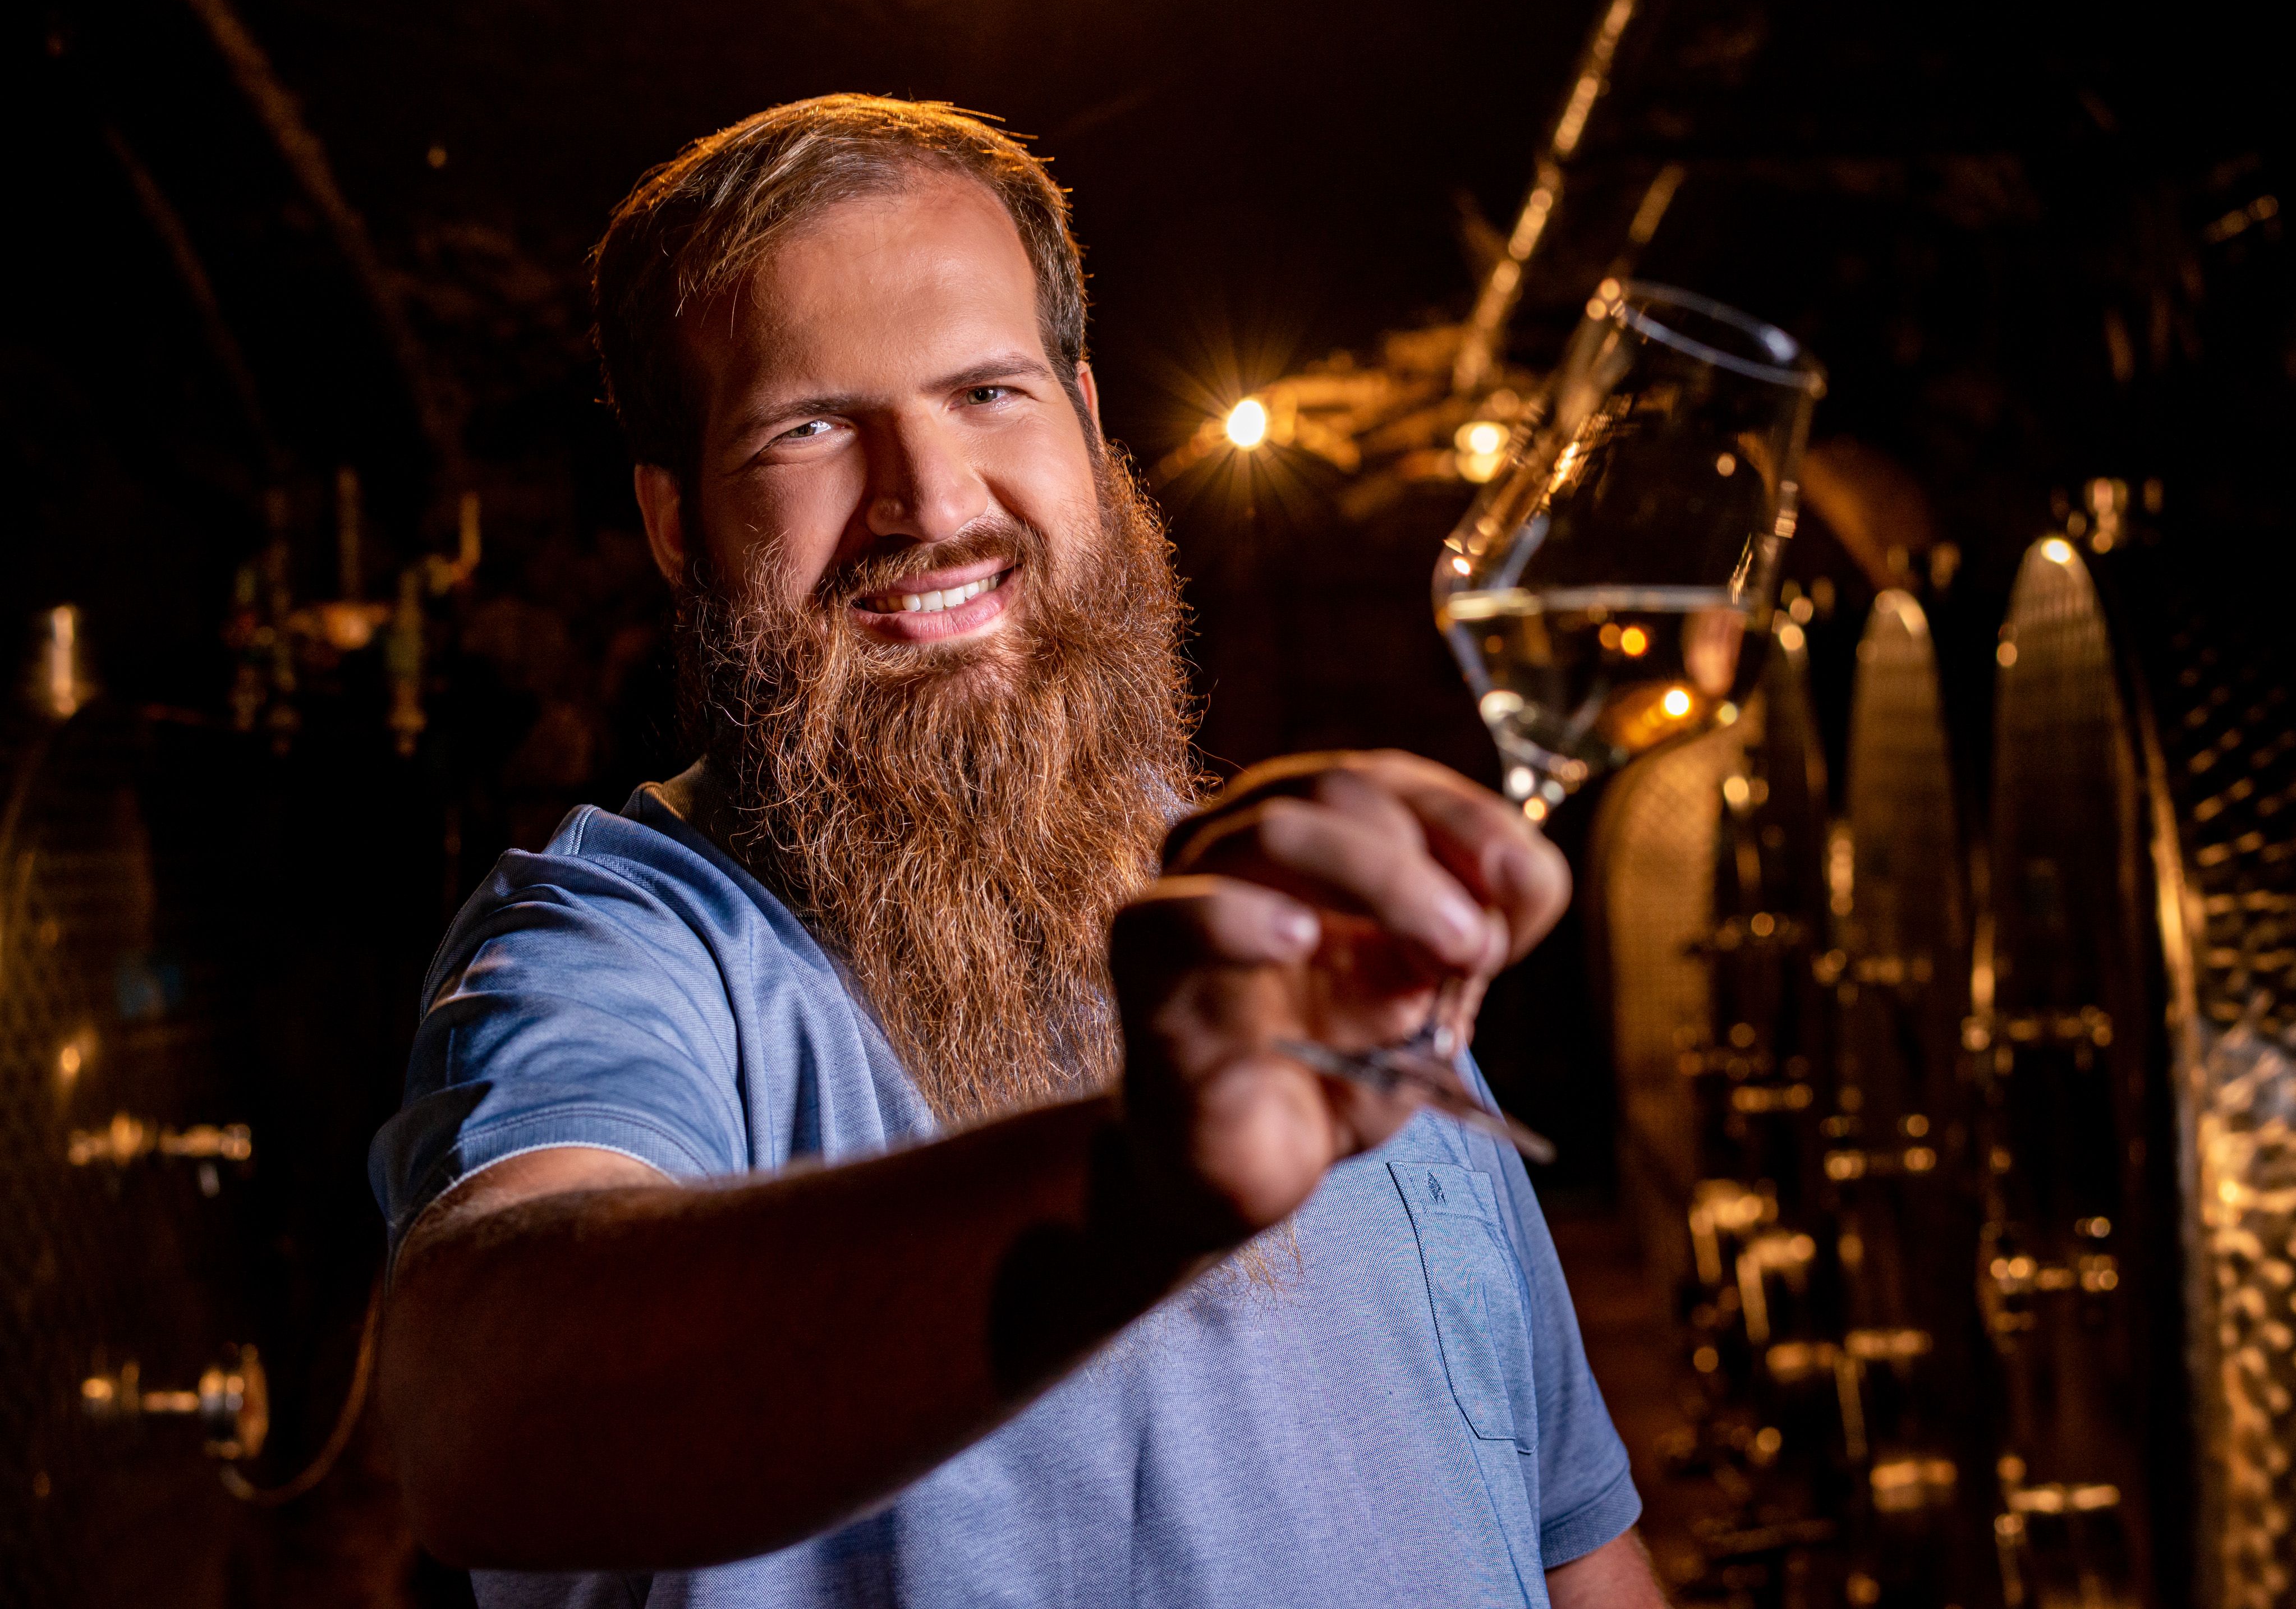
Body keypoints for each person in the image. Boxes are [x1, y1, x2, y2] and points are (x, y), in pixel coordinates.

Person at [370, 94, 1661, 1608]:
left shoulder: (1317, 931)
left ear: (1093, 422)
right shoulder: (627, 944)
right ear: (673, 524)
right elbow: (487, 1418)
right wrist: (1137, 1184)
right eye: (809, 426)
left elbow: (1570, 1537)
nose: (930, 499)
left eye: (987, 391)